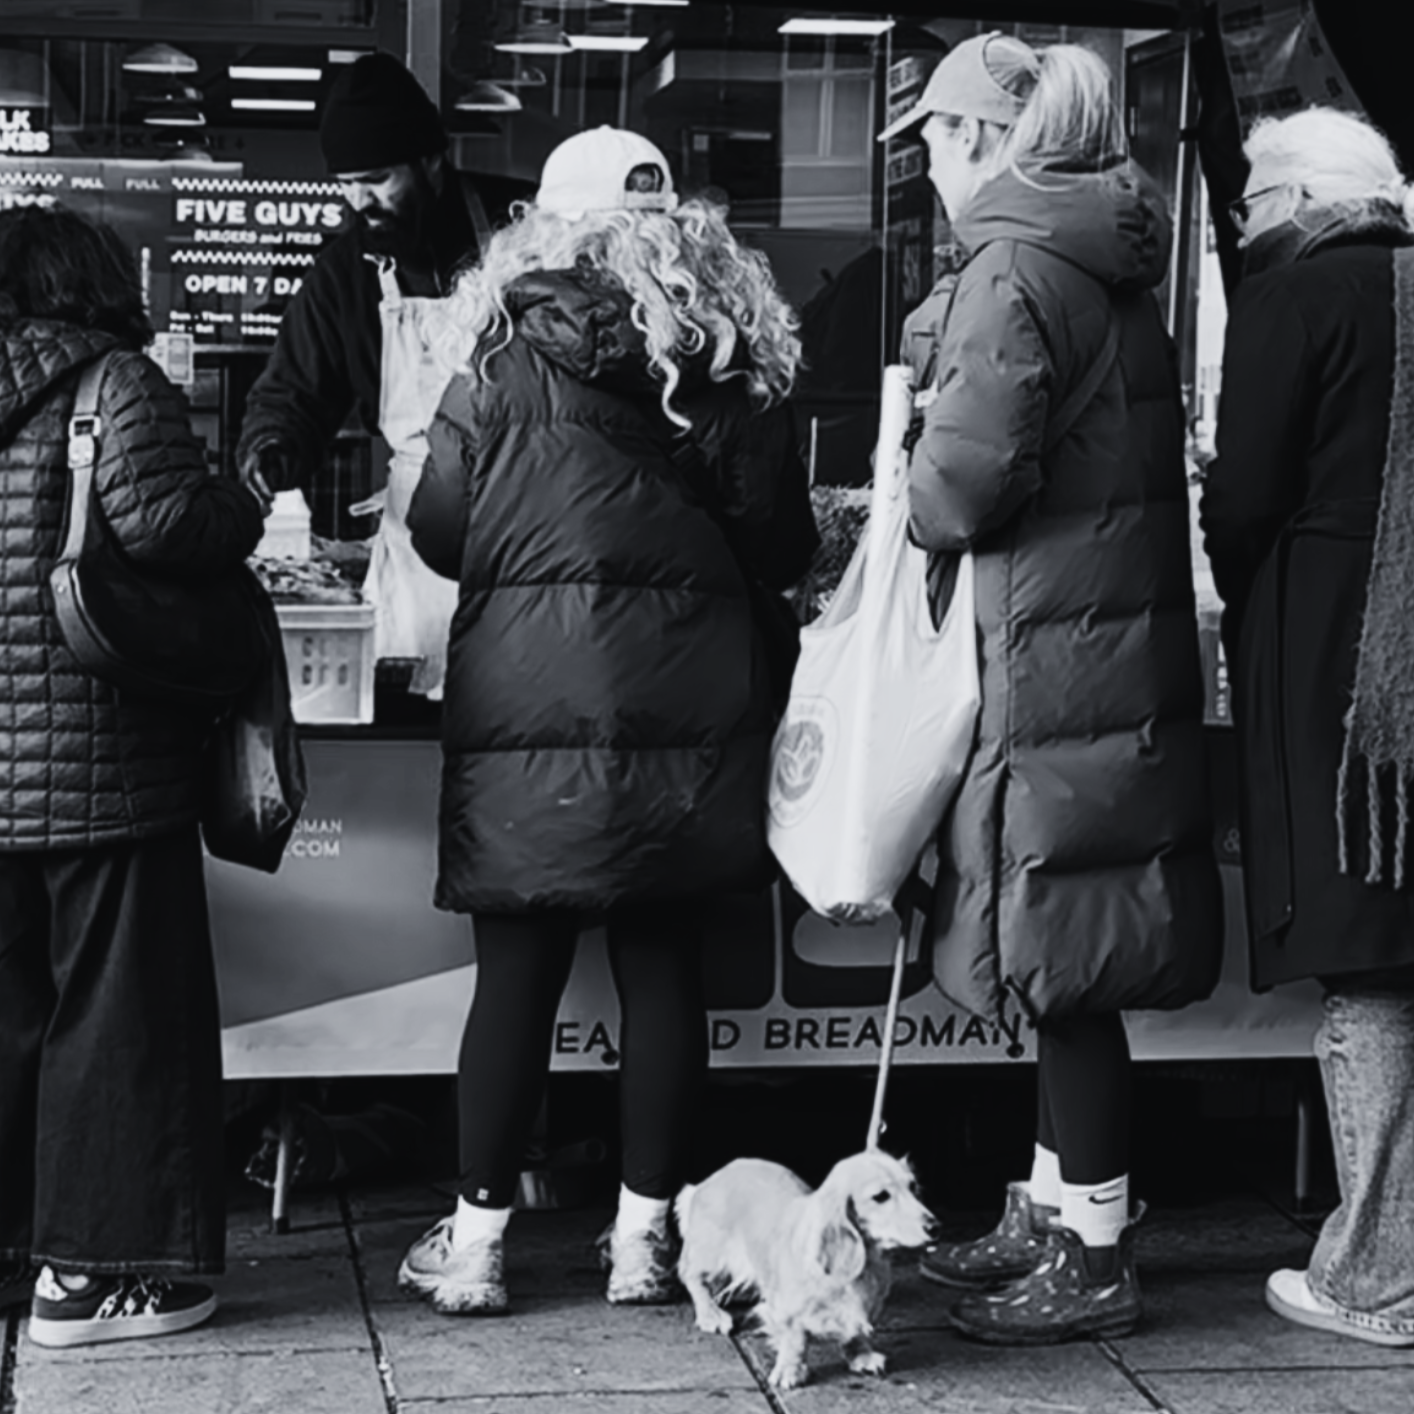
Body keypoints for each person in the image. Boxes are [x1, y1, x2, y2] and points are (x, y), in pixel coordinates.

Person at [397, 127, 818, 1315]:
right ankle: (643, 1240)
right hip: (685, 715)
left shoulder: (496, 356)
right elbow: (782, 544)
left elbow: (440, 531)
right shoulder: (724, 361)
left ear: (548, 225)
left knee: (514, 981)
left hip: (523, 706)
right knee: (663, 971)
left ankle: (477, 1246)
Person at [882, 34, 1223, 1343]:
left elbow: (962, 486)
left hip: (1048, 647)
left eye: (928, 137)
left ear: (976, 138)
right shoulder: (1100, 258)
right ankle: (1047, 1206)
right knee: (1056, 950)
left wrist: (906, 483)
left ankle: (1091, 1249)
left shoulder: (1011, 268)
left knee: (1061, 958)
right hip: (1099, 637)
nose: (921, 163)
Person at [0, 205, 264, 1345]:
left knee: (11, 1016)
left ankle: (16, 1249)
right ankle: (98, 1276)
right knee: (118, 1022)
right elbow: (169, 528)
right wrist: (244, 501)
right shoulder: (114, 383)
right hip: (100, 767)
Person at [1200, 107, 1414, 1349]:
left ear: (1290, 203)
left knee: (1369, 960)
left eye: (1246, 205)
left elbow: (1241, 498)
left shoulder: (1293, 295)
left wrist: (1253, 596)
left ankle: (1375, 1276)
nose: (1239, 227)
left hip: (1338, 669)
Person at [235, 51, 532, 698]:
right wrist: (271, 447)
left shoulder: (523, 234)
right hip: (418, 549)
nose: (358, 200)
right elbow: (294, 391)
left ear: (431, 161)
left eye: (376, 179)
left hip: (530, 522)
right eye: (345, 183)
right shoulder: (344, 273)